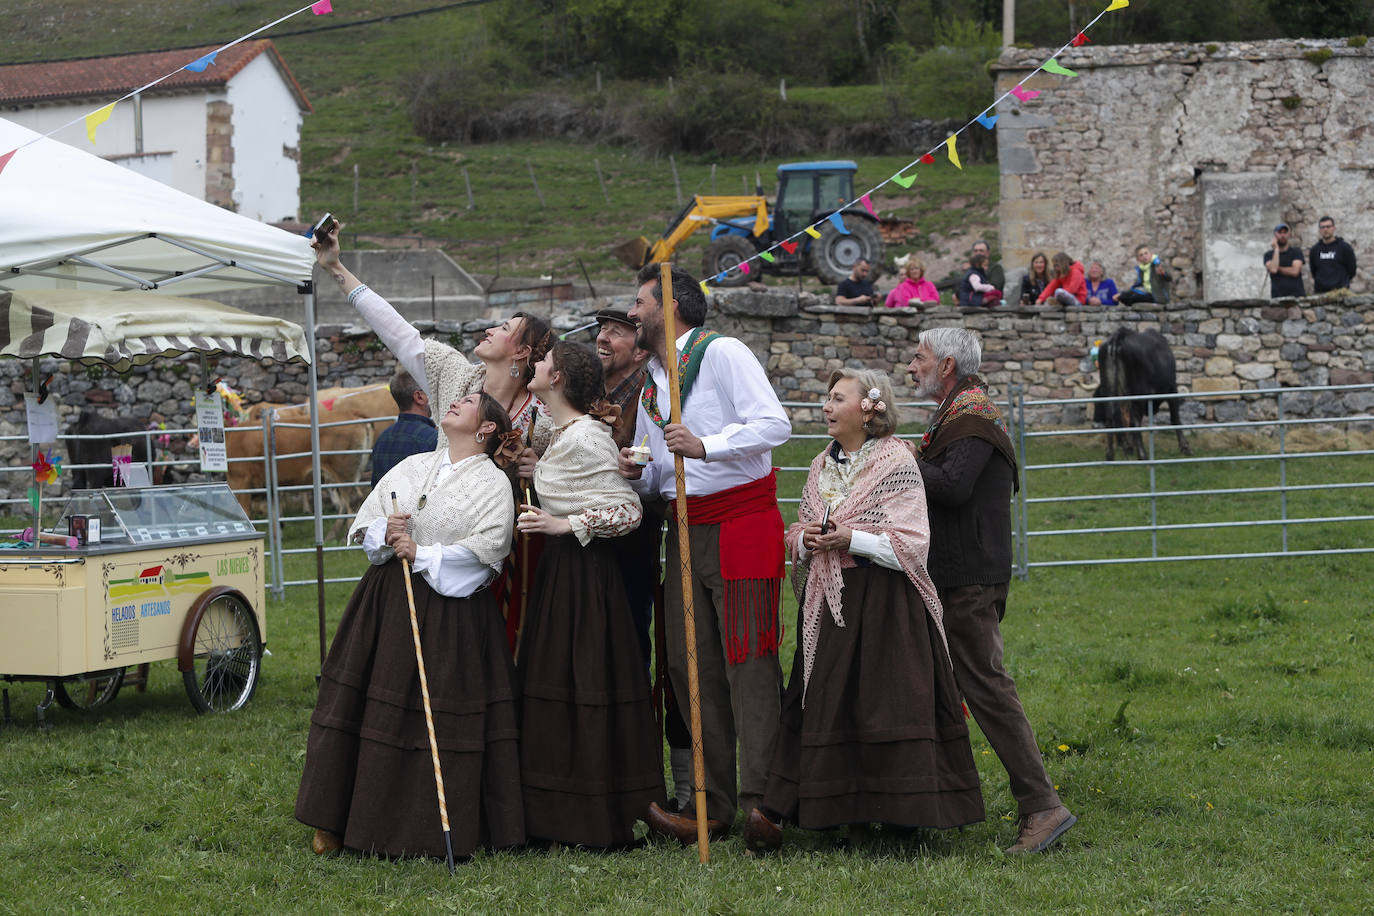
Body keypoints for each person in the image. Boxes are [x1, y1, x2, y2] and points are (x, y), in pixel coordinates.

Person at [742, 369, 985, 853]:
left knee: (887, 701)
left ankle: (900, 820)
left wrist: (852, 537)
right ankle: (838, 811)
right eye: (826, 399)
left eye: (837, 399)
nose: (826, 408)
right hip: (832, 604)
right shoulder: (820, 465)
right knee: (829, 699)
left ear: (869, 407)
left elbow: (913, 544)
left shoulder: (896, 461)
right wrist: (804, 538)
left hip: (886, 604)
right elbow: (801, 526)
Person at [296, 391, 525, 860]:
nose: (457, 402)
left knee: (435, 719)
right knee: (367, 709)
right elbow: (369, 525)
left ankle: (423, 827)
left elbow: (490, 549)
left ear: (486, 429)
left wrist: (423, 553)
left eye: (469, 402)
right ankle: (336, 818)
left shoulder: (493, 484)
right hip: (386, 605)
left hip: (451, 620)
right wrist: (387, 531)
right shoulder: (414, 464)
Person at [313, 222, 553, 648]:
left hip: (512, 551)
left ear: (521, 352)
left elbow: (577, 476)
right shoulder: (456, 378)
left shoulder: (545, 416)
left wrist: (541, 471)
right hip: (432, 534)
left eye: (505, 328)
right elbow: (397, 332)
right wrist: (336, 268)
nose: (490, 329)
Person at [618, 263, 791, 842]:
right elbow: (661, 472)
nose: (632, 314)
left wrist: (706, 444)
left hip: (741, 522)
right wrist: (636, 469)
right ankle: (709, 805)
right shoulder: (649, 384)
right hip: (683, 528)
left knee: (749, 664)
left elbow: (775, 424)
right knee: (691, 664)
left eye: (639, 303)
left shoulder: (722, 353)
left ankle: (765, 803)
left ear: (669, 307)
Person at [907, 327, 1076, 854]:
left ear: (949, 365)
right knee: (941, 686)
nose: (912, 366)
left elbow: (954, 486)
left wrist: (898, 463)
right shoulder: (958, 412)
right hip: (958, 572)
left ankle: (1043, 806)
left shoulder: (973, 416)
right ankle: (922, 805)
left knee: (986, 686)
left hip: (968, 577)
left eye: (921, 357)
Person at [512, 341, 665, 848]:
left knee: (583, 682)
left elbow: (627, 510)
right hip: (562, 574)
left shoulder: (587, 438)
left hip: (586, 580)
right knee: (557, 682)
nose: (534, 366)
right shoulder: (563, 432)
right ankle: (555, 812)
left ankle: (591, 811)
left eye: (542, 362)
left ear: (555, 379)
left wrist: (563, 522)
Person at [370, 369, 437, 486]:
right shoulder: (433, 438)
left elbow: (375, 488)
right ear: (419, 397)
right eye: (430, 391)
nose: (434, 396)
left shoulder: (382, 439)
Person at [1308, 215, 1357, 293]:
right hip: (1320, 293)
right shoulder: (1315, 250)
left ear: (1334, 228)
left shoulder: (1344, 247)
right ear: (1319, 230)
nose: (1325, 229)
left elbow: (1352, 270)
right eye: (1322, 227)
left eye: (1328, 226)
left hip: (1340, 293)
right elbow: (1313, 271)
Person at [1264, 223, 1306, 298]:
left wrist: (1278, 268)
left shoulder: (1296, 252)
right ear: (1275, 235)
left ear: (1289, 235)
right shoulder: (1268, 255)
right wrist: (1276, 249)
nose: (1282, 235)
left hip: (1297, 297)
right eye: (1280, 233)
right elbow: (1273, 269)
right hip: (1277, 299)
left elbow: (1295, 271)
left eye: (1285, 232)